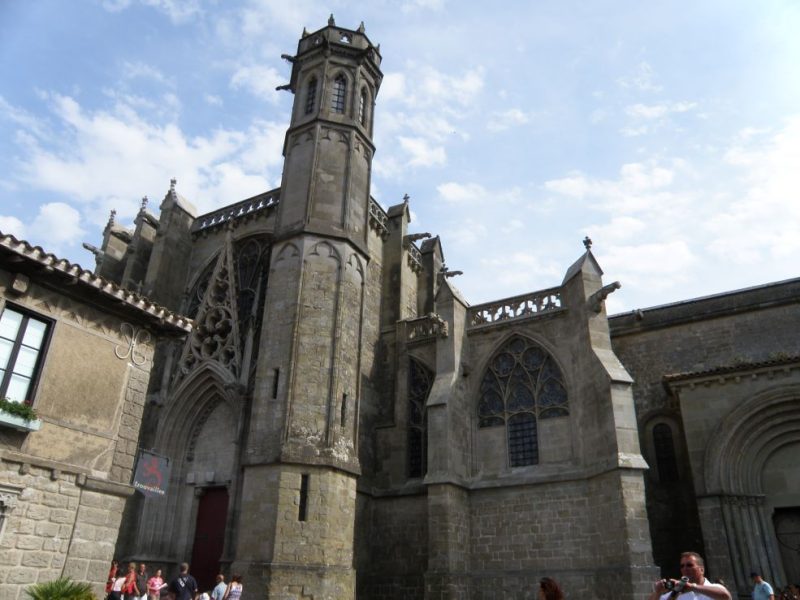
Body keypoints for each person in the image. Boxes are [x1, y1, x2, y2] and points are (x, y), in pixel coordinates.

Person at [648, 551, 731, 600]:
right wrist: (658, 592)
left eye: (689, 565)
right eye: (682, 566)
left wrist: (692, 587)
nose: (685, 569)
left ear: (701, 569)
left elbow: (725, 596)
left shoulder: (715, 588)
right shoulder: (677, 594)